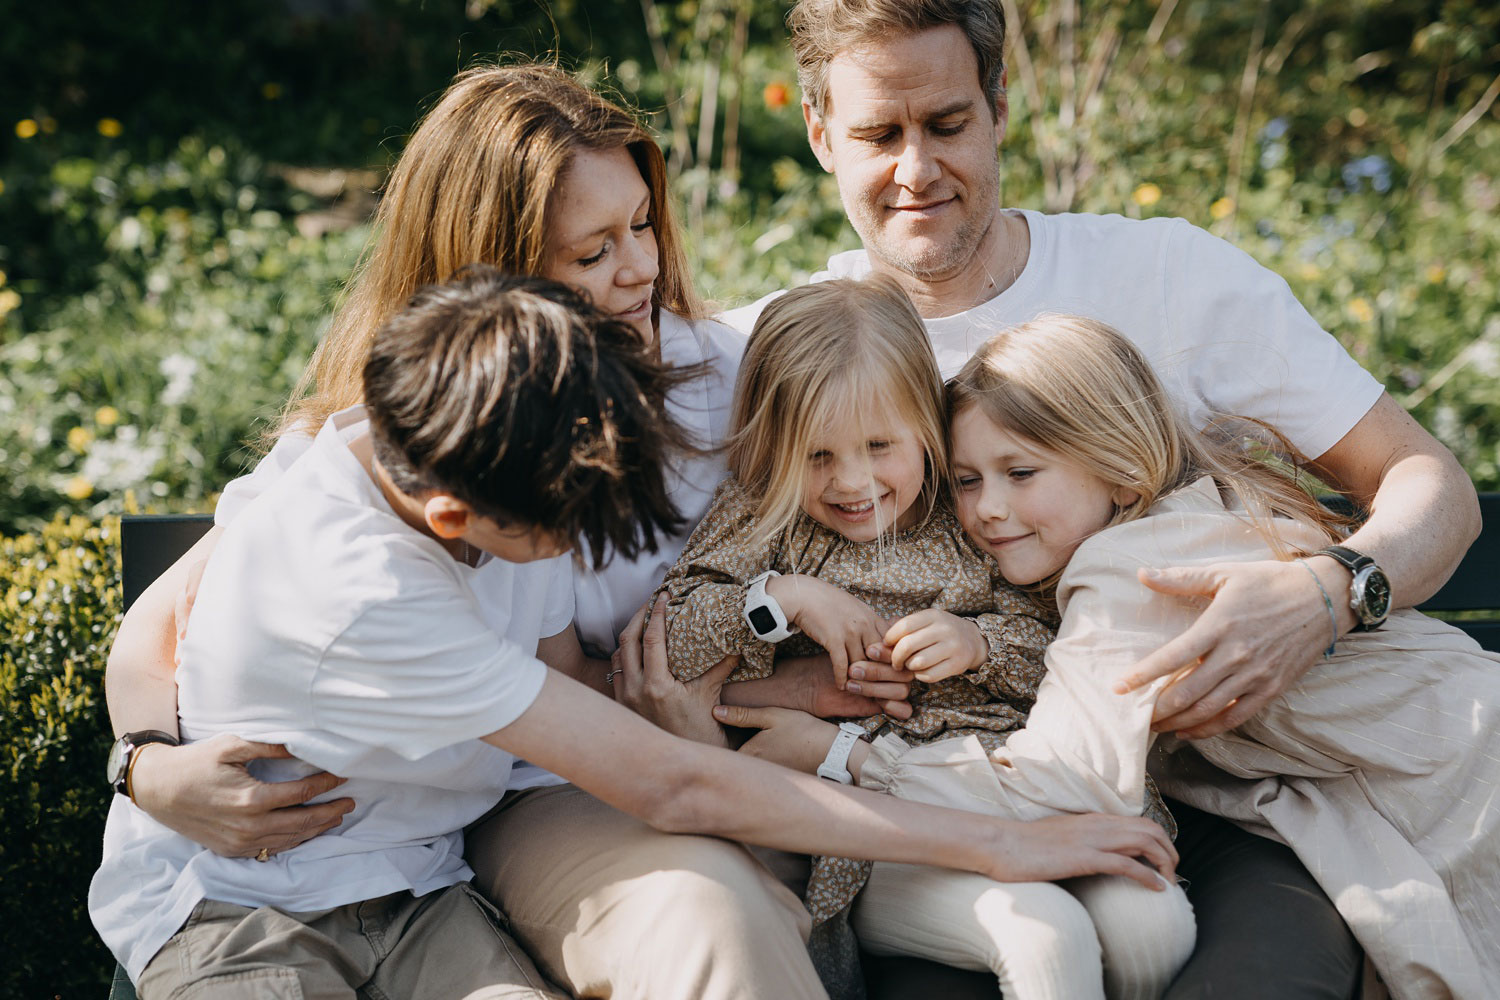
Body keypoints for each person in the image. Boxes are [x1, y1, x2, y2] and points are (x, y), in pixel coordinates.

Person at [93, 269, 1181, 998]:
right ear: (450, 522)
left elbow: (604, 696)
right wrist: (996, 840)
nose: (586, 549)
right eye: (561, 532)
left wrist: (769, 702)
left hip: (417, 887)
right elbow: (673, 785)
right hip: (247, 901)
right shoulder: (368, 590)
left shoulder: (474, 411)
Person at [720, 0, 1482, 993]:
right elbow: (680, 630)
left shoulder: (1166, 274)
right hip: (965, 813)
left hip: (1231, 804)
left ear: (1000, 107)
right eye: (878, 134)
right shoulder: (783, 355)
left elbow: (1434, 486)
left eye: (947, 124)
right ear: (821, 132)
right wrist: (811, 697)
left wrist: (1332, 591)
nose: (916, 169)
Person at [99, 63, 905, 1000]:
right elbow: (161, 626)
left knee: (719, 917)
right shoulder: (419, 439)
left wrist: (787, 679)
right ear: (497, 281)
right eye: (592, 252)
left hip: (565, 786)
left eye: (641, 225)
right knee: (705, 902)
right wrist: (147, 770)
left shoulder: (733, 384)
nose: (640, 266)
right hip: (511, 796)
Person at [728, 314, 1500, 998]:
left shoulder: (1132, 569)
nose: (988, 508)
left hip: (1462, 778)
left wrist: (846, 759)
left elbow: (1065, 783)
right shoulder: (1176, 517)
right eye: (966, 481)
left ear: (1121, 470)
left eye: (1021, 473)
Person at [658, 279, 1196, 999]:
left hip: (1020, 790)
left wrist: (978, 643)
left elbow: (1060, 656)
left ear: (926, 425)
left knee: (1154, 924)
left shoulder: (973, 508)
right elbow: (673, 643)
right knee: (1043, 936)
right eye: (818, 456)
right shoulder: (768, 520)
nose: (852, 482)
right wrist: (781, 598)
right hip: (879, 836)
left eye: (880, 446)